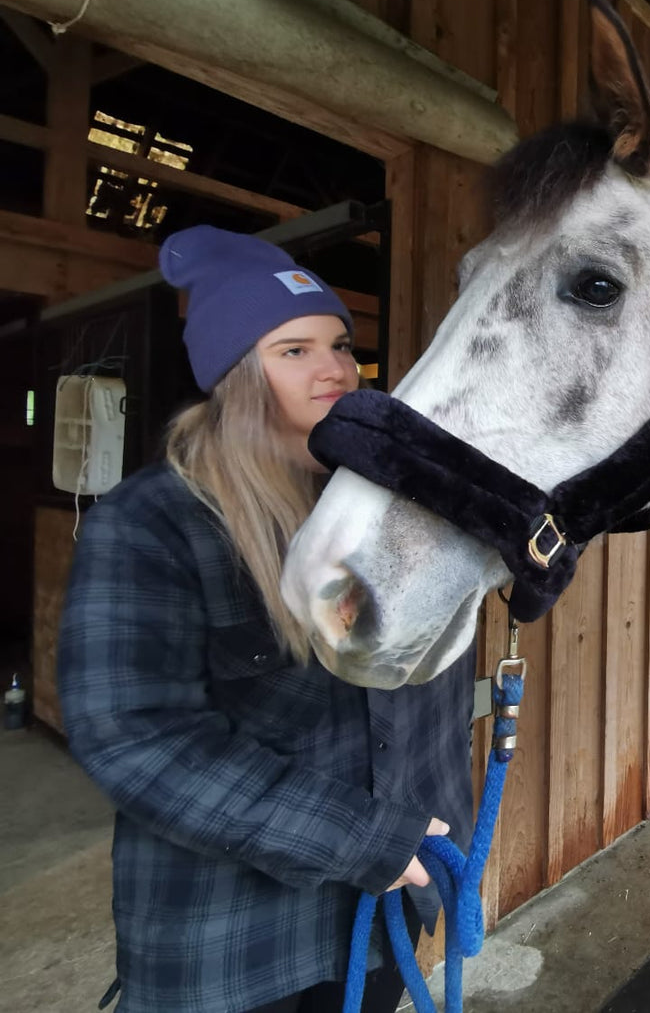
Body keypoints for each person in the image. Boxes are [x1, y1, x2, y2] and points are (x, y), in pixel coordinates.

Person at [59, 226, 475, 1013]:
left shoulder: (390, 509)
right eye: (294, 350)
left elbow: (433, 671)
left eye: (341, 345)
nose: (336, 368)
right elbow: (135, 738)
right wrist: (361, 838)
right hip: (234, 941)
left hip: (388, 907)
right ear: (236, 373)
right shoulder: (151, 523)